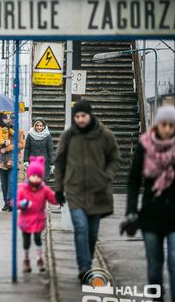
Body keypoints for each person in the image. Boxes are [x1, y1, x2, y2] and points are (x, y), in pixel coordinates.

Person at [54, 100, 120, 281]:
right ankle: (84, 267)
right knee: (81, 227)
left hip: (98, 192)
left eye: (83, 116)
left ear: (90, 115)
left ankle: (87, 260)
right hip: (74, 190)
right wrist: (58, 188)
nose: (80, 119)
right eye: (77, 116)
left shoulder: (105, 136)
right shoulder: (68, 137)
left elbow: (115, 159)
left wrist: (106, 176)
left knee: (91, 233)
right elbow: (59, 163)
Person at [122, 106, 175, 300]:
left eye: (171, 125)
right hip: (151, 215)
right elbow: (134, 180)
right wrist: (131, 210)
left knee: (174, 262)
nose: (167, 129)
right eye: (164, 125)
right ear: (157, 125)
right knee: (154, 265)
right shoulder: (145, 146)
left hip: (174, 214)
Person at [17, 156, 57, 273]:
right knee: (27, 241)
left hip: (38, 220)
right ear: (29, 176)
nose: (35, 179)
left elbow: (53, 199)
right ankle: (26, 259)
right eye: (33, 176)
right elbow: (14, 203)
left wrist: (60, 196)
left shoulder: (44, 189)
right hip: (25, 221)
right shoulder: (23, 189)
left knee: (38, 239)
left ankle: (40, 259)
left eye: (38, 176)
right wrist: (22, 203)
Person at [0, 113, 26, 212]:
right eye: (11, 118)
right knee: (4, 184)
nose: (12, 120)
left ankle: (10, 202)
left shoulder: (19, 132)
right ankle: (6, 202)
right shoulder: (0, 129)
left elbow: (21, 145)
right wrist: (1, 145)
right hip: (1, 161)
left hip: (14, 160)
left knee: (12, 182)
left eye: (15, 118)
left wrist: (8, 147)